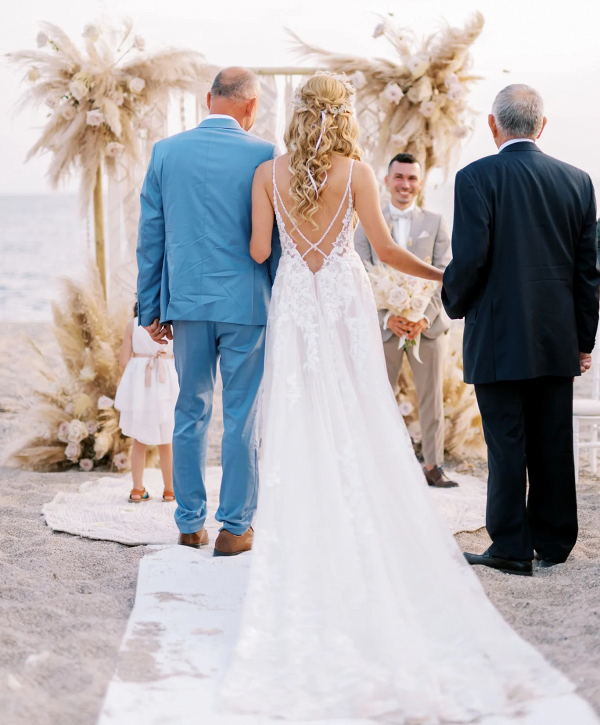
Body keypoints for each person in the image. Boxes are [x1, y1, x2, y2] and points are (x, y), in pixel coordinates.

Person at [219, 73, 571, 722]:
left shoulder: (267, 174)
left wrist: (291, 259)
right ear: (342, 114)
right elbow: (382, 251)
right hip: (346, 301)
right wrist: (443, 274)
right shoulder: (355, 170)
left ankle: (304, 525)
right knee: (357, 414)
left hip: (295, 301)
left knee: (300, 414)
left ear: (297, 113)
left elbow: (261, 249)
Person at [443, 84, 600, 576]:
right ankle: (554, 542)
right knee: (553, 438)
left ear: (494, 125)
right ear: (542, 126)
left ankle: (511, 546)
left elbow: (470, 259)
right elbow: (587, 271)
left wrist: (452, 302)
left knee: (506, 441)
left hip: (497, 336)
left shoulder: (475, 177)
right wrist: (584, 340)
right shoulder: (578, 181)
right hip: (557, 339)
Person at [136, 67, 278, 553]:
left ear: (208, 99)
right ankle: (235, 529)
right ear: (251, 106)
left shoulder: (165, 152)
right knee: (241, 416)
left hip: (188, 305)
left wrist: (150, 308)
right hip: (246, 304)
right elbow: (275, 239)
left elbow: (150, 238)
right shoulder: (265, 155)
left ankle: (189, 522)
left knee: (190, 410)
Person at [354, 152, 455, 487]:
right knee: (378, 395)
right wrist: (386, 317)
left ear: (420, 183)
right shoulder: (367, 220)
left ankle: (433, 466)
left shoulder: (436, 222)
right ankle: (378, 464)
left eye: (412, 178)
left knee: (431, 398)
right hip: (384, 328)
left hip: (427, 327)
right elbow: (361, 276)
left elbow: (445, 274)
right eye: (399, 177)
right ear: (387, 181)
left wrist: (423, 317)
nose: (405, 185)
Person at [114, 301, 178, 502]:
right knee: (166, 441)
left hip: (141, 388)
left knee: (139, 441)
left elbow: (124, 361)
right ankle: (169, 490)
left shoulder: (132, 325)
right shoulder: (172, 325)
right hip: (165, 382)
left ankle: (137, 490)